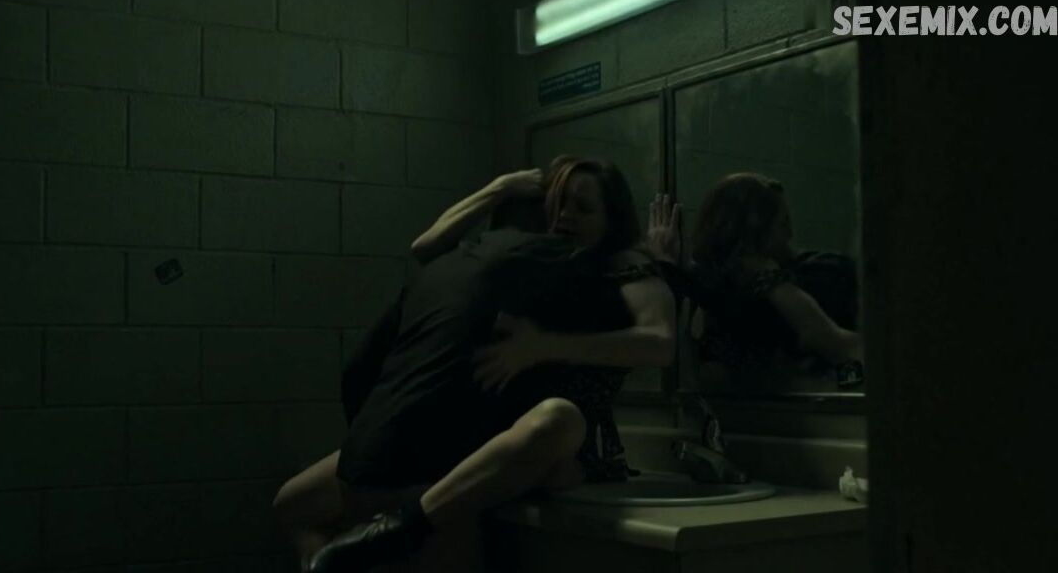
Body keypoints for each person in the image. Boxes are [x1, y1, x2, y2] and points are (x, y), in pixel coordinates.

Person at [272, 156, 680, 572]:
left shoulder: (622, 265)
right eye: (557, 203)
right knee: (293, 504)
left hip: (548, 451)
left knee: (558, 425)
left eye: (583, 207)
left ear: (613, 222)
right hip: (471, 442)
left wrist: (544, 345)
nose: (564, 216)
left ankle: (387, 532)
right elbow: (425, 248)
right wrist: (499, 188)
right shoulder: (538, 264)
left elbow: (660, 344)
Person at [673, 172, 863, 390]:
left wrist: (777, 285)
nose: (790, 234)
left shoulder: (824, 275)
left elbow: (858, 361)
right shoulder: (717, 291)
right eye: (782, 224)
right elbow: (704, 378)